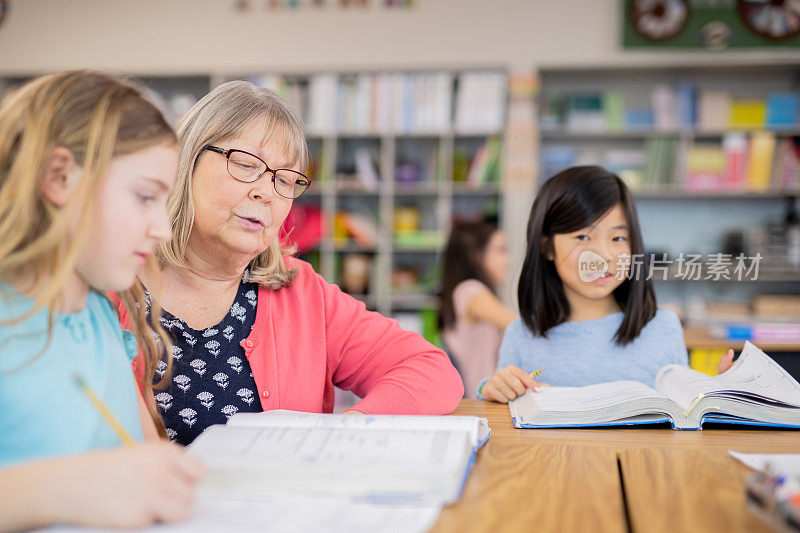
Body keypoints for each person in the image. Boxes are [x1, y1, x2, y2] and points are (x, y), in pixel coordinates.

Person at [115, 80, 463, 445]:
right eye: (246, 165)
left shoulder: (302, 292)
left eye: (285, 180)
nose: (266, 192)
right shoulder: (110, 282)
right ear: (185, 161)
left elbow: (430, 369)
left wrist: (348, 430)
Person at [0, 70, 204, 532]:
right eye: (145, 196)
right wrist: (66, 488)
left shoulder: (98, 313)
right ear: (60, 176)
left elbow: (143, 454)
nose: (164, 229)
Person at [479, 166, 734, 403]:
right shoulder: (522, 334)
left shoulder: (662, 327)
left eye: (618, 237)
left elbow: (686, 412)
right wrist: (490, 389)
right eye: (582, 236)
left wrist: (718, 396)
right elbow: (503, 412)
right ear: (547, 247)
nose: (604, 255)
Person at [439, 219, 516, 398]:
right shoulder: (471, 290)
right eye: (500, 250)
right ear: (476, 255)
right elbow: (518, 324)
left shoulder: (463, 291)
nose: (508, 259)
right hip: (478, 398)